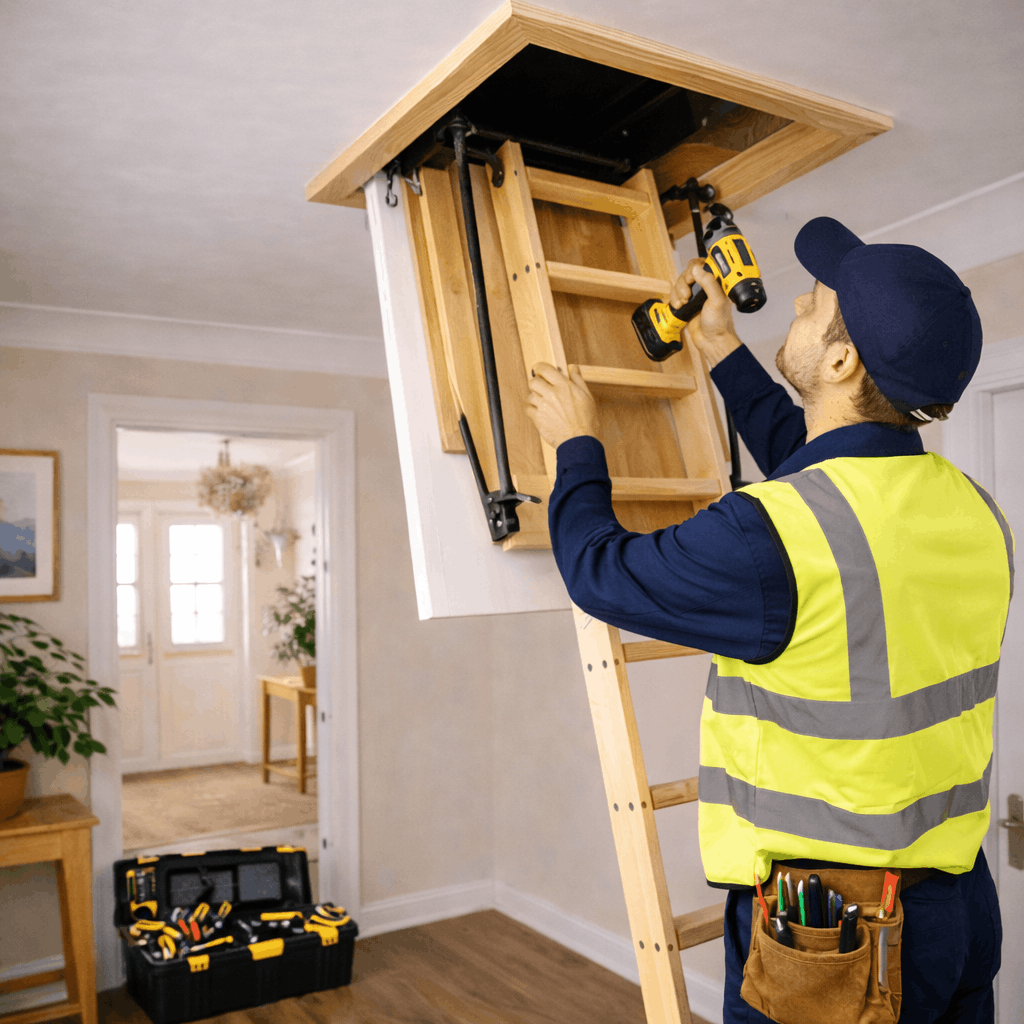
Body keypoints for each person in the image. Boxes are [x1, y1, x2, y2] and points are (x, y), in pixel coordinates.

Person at [526, 217, 1011, 1023]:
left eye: (814, 305)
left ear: (842, 359)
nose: (793, 300)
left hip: (835, 937)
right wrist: (719, 347)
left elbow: (599, 572)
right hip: (958, 909)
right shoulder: (973, 512)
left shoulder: (773, 533)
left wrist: (576, 443)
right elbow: (824, 457)